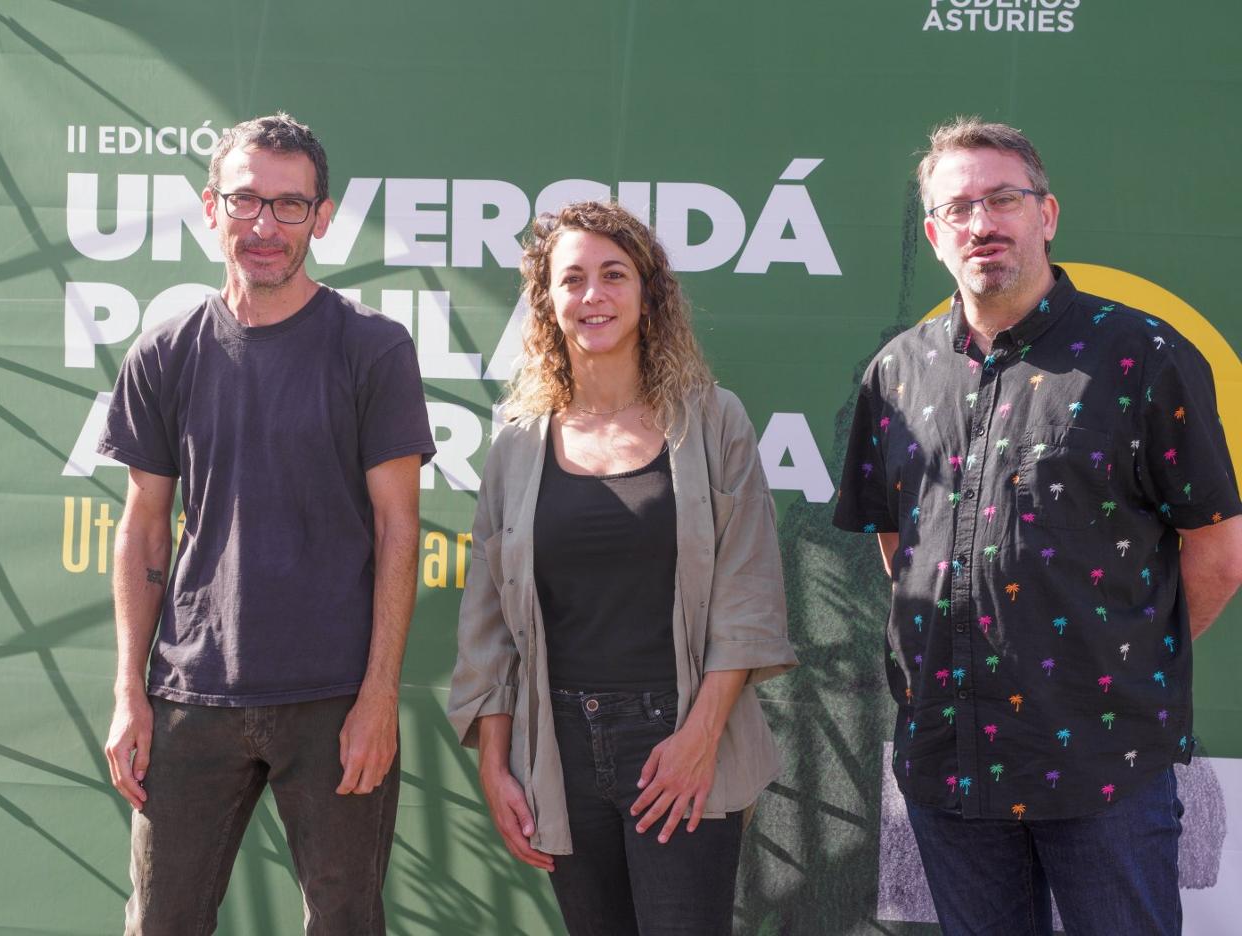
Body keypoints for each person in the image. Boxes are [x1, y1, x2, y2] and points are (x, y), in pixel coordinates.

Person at [834, 116, 1242, 934]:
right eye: (959, 208)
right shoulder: (895, 374)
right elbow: (901, 546)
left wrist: (1114, 664)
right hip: (950, 763)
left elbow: (1218, 552)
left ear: (1046, 215)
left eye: (1004, 199)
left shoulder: (1143, 354)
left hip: (1105, 765)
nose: (982, 224)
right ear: (933, 233)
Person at [98, 112, 436, 935]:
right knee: (161, 922)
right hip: (189, 691)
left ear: (322, 218)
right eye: (246, 202)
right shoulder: (166, 349)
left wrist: (379, 697)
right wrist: (128, 691)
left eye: (289, 207)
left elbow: (401, 533)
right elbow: (144, 528)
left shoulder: (373, 349)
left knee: (345, 920)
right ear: (210, 209)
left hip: (334, 697)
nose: (265, 226)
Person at [447, 201, 797, 935]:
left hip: (678, 736)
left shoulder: (713, 421)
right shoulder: (517, 447)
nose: (594, 296)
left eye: (614, 275)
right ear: (547, 301)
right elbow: (487, 626)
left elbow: (748, 595)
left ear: (648, 292)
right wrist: (495, 765)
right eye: (572, 280)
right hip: (561, 749)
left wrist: (698, 740)